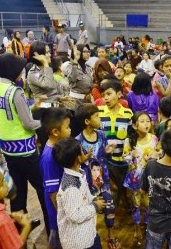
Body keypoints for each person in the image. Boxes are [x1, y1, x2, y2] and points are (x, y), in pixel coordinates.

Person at [0, 53, 50, 234]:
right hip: (25, 149)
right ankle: (51, 229)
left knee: (18, 193)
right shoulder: (16, 91)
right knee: (42, 189)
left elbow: (14, 114)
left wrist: (33, 106)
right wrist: (46, 123)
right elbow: (28, 123)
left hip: (9, 149)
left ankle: (20, 231)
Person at [75, 104, 119, 248]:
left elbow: (103, 156)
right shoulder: (78, 141)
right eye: (97, 116)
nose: (100, 119)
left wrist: (107, 151)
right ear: (87, 121)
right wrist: (84, 158)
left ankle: (110, 235)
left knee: (109, 206)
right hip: (88, 184)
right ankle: (92, 237)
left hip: (103, 181)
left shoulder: (101, 135)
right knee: (90, 210)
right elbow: (78, 163)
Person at [53, 137, 106, 249]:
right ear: (78, 158)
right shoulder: (71, 186)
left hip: (88, 233)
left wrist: (93, 199)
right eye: (82, 150)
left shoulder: (78, 173)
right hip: (79, 242)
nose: (84, 152)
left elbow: (84, 197)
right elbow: (74, 215)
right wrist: (95, 206)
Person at [122, 112, 159, 245]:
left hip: (150, 180)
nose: (146, 124)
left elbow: (159, 155)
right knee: (136, 206)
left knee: (150, 205)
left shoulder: (154, 139)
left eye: (148, 121)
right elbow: (124, 158)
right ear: (135, 125)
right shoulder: (128, 141)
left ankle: (149, 230)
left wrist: (155, 156)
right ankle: (137, 229)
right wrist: (130, 156)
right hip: (135, 180)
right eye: (142, 121)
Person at [38, 108, 72, 248]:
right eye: (67, 127)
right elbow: (53, 192)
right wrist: (63, 214)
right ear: (55, 132)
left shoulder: (57, 148)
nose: (70, 130)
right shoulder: (49, 158)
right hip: (58, 213)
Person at [97, 80, 133, 210]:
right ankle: (112, 214)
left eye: (108, 94)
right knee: (111, 188)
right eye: (103, 95)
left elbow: (130, 135)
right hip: (106, 160)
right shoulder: (99, 113)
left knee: (124, 184)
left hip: (122, 160)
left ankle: (126, 202)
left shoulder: (128, 114)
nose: (105, 98)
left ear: (119, 94)